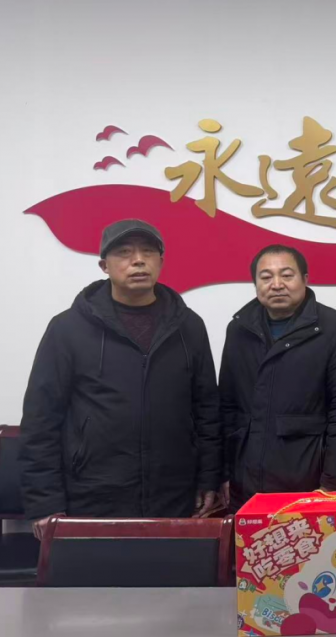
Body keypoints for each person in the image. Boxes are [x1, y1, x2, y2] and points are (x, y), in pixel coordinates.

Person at [19, 219, 222, 535]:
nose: (138, 260)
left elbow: (207, 410)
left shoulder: (189, 326)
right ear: (104, 266)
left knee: (172, 570)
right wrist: (45, 503)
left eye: (148, 252)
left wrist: (208, 479)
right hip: (92, 495)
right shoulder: (68, 328)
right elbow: (40, 420)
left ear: (161, 262)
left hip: (173, 495)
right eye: (124, 252)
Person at [219, 245, 336, 510]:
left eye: (287, 275)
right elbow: (227, 406)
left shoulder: (335, 329)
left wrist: (335, 485)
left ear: (305, 279)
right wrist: (225, 473)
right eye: (266, 277)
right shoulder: (239, 329)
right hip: (245, 479)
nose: (276, 284)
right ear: (255, 284)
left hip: (308, 479)